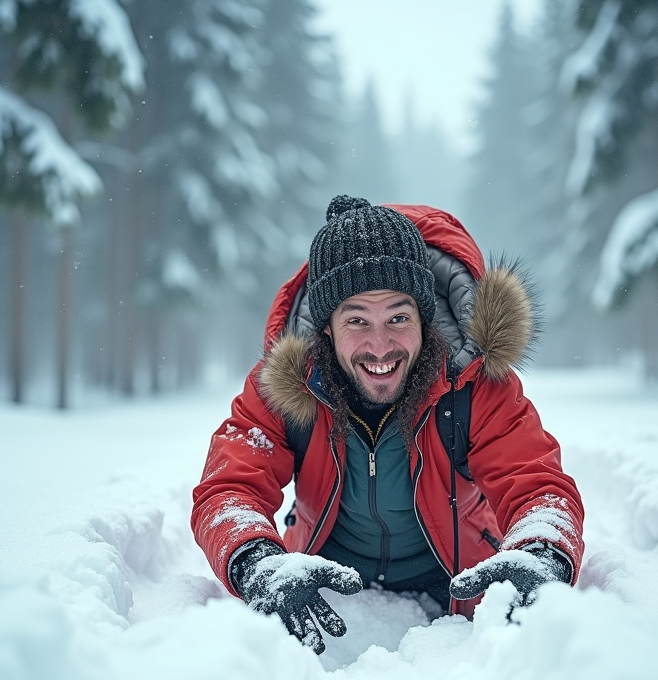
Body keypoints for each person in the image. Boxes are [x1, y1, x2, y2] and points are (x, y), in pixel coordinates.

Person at [191, 195, 584, 653]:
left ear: (426, 320)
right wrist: (255, 560)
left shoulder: (477, 385)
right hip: (326, 595)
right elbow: (228, 489)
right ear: (325, 330)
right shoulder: (281, 388)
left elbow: (539, 487)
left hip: (457, 602)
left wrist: (542, 553)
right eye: (356, 320)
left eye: (398, 317)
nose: (380, 347)